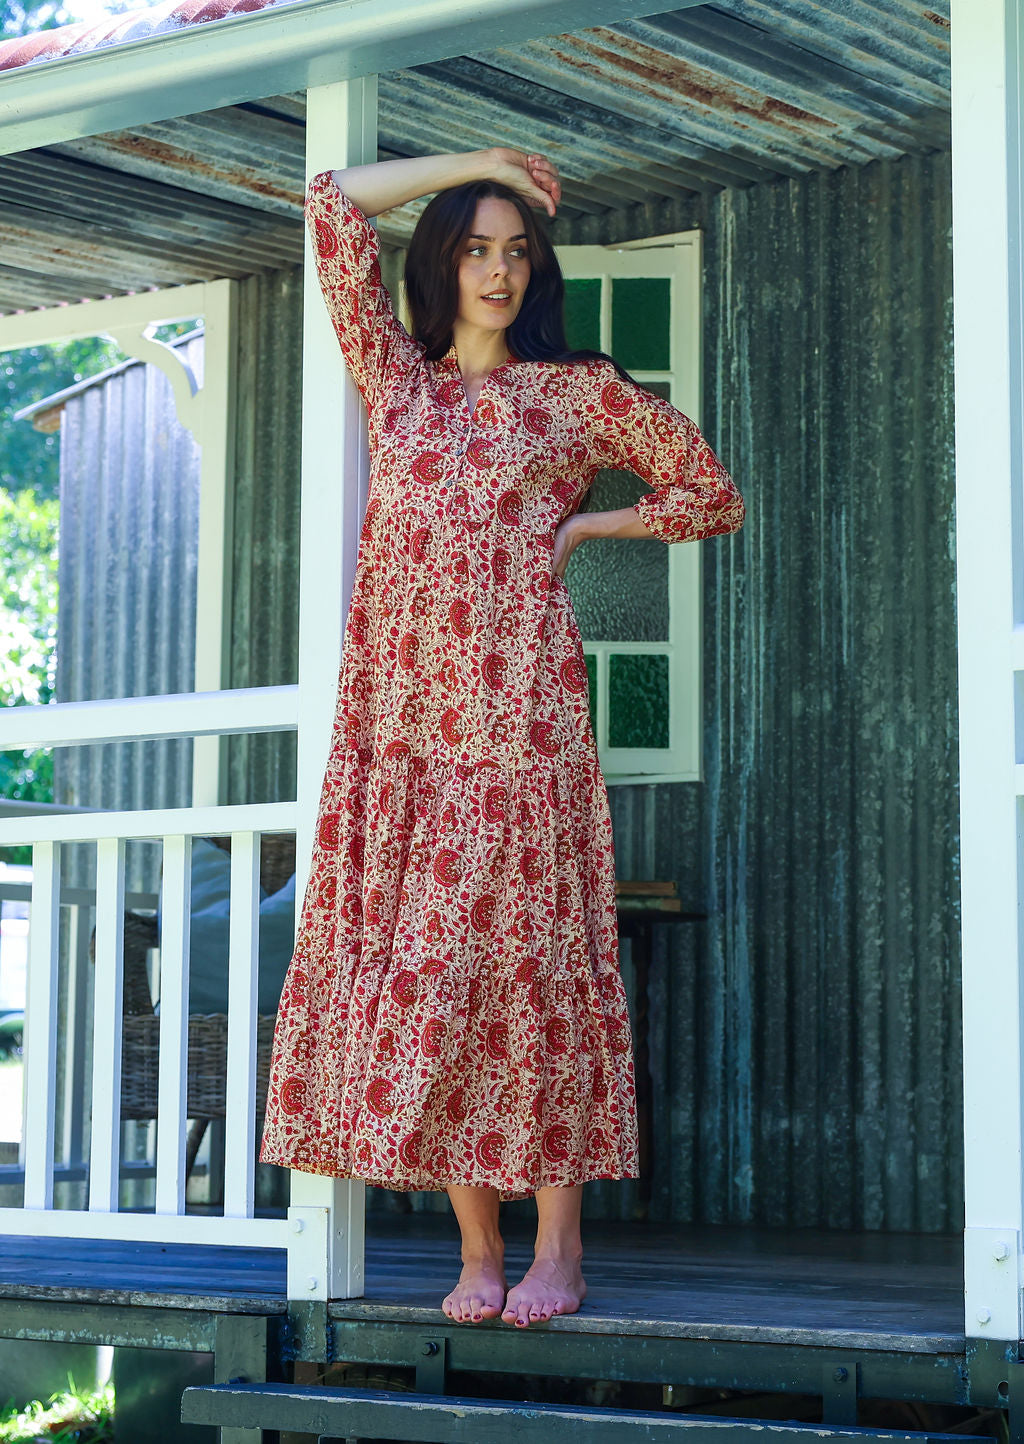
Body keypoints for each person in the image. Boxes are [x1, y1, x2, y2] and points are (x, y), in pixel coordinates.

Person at [259, 146, 745, 1330]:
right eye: (476, 247)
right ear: (440, 261)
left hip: (523, 730)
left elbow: (709, 491)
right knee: (434, 982)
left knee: (527, 976)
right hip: (405, 734)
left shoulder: (573, 393)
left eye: (516, 251)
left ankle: (560, 1246)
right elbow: (326, 202)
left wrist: (587, 530)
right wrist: (479, 163)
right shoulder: (397, 380)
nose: (499, 270)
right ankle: (479, 1248)